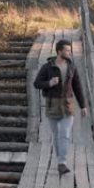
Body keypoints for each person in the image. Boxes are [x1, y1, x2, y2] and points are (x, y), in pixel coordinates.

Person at [33, 39, 88, 174]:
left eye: (70, 50)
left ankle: (62, 162)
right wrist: (49, 83)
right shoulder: (47, 67)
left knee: (65, 134)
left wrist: (83, 106)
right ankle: (60, 160)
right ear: (59, 51)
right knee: (57, 135)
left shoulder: (72, 66)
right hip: (52, 104)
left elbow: (77, 87)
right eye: (67, 50)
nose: (69, 53)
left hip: (68, 105)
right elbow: (36, 83)